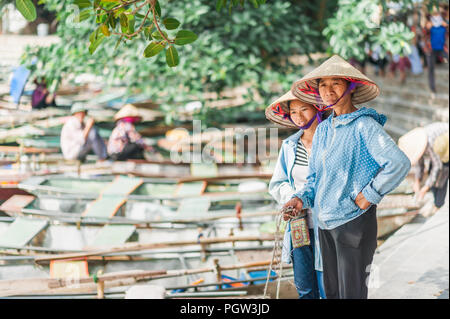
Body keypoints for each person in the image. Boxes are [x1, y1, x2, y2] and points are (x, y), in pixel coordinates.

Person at [284, 55, 411, 299]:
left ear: (350, 87)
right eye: (323, 85)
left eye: (336, 83)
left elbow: (398, 163)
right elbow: (314, 178)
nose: (328, 90)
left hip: (354, 222)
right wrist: (300, 199)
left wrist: (370, 195)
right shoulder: (322, 129)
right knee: (331, 293)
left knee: (351, 293)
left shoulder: (364, 125)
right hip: (326, 223)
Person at [265, 90, 327, 299]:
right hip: (299, 223)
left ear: (317, 109)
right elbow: (278, 182)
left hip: (329, 223)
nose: (298, 116)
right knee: (305, 286)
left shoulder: (331, 141)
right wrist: (292, 197)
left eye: (304, 109)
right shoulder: (290, 146)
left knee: (328, 283)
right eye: (293, 111)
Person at [398, 123, 449, 217]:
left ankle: (438, 205)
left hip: (446, 147)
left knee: (442, 175)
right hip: (439, 148)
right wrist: (417, 181)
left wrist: (425, 188)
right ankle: (435, 202)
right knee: (431, 173)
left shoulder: (430, 142)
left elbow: (438, 167)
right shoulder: (418, 144)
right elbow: (419, 164)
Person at [425, 8, 449, 92]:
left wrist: (447, 26)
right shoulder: (429, 24)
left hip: (442, 48)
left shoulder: (444, 24)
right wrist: (427, 27)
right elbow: (424, 34)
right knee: (431, 69)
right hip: (431, 50)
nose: (436, 16)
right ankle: (432, 87)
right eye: (435, 14)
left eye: (438, 14)